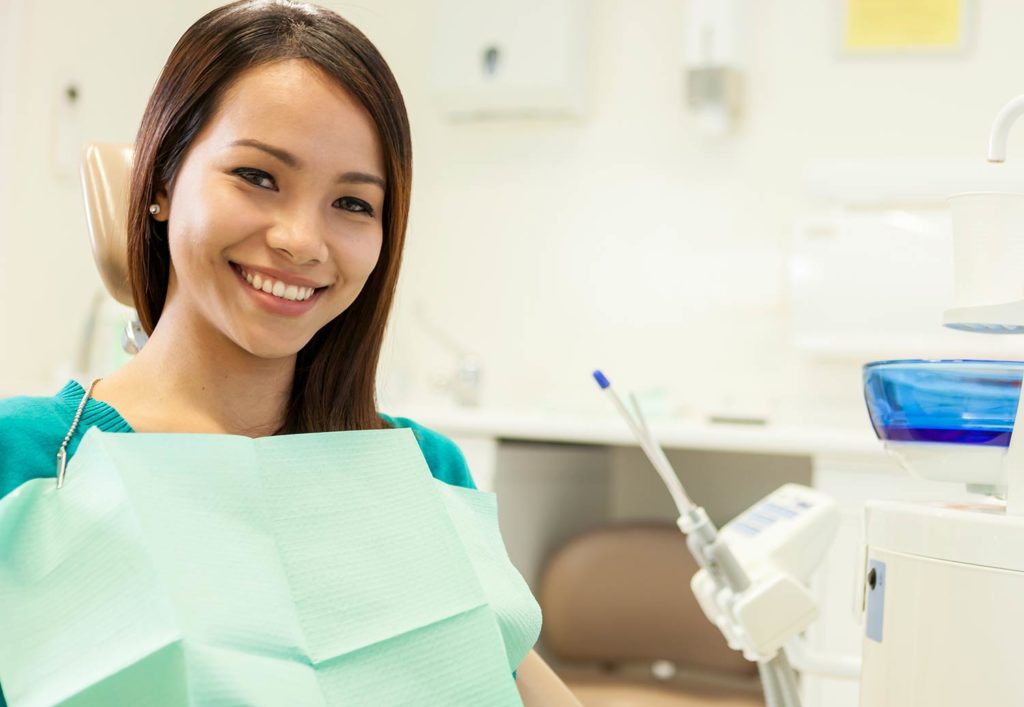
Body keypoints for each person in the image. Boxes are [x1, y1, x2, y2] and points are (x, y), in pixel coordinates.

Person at [0, 1, 580, 704]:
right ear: (159, 182)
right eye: (258, 176)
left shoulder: (420, 470)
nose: (302, 239)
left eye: (354, 204)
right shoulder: (26, 460)